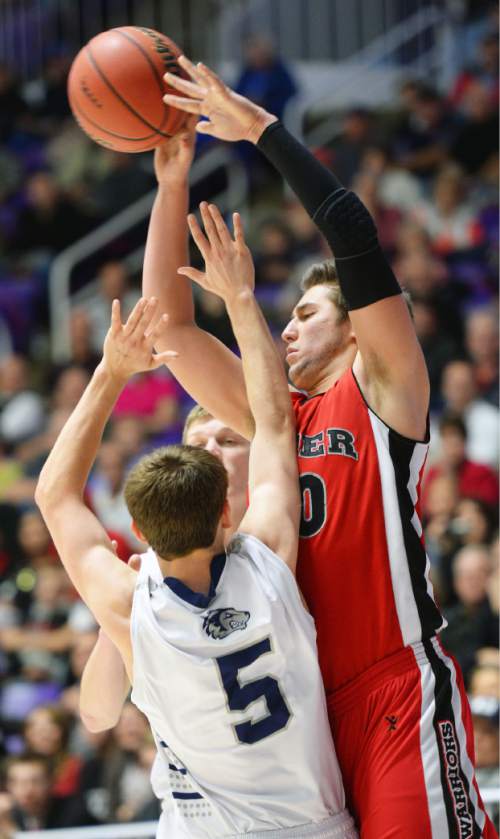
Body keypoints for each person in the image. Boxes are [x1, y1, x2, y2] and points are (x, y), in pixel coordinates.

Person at [157, 56, 497, 837]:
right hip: (308, 717)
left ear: (353, 328)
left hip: (395, 686)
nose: (287, 328)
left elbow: (352, 231)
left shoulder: (386, 390)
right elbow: (172, 330)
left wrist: (261, 132)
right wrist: (171, 183)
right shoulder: (274, 421)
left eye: (308, 314)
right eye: (288, 316)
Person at [35, 287, 357, 837]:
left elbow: (55, 495)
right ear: (223, 511)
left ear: (137, 528)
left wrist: (111, 371)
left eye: (226, 440)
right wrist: (240, 297)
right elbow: (276, 422)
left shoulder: (131, 602)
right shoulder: (272, 558)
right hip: (292, 823)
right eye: (198, 441)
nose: (210, 448)